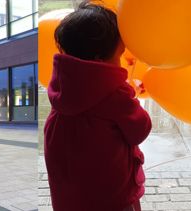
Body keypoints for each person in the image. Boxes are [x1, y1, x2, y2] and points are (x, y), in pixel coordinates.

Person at [44, 1, 152, 211]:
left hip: (70, 198)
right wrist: (130, 95)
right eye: (118, 55)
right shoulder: (115, 94)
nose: (121, 63)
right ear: (99, 60)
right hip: (110, 197)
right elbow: (141, 129)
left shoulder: (62, 85)